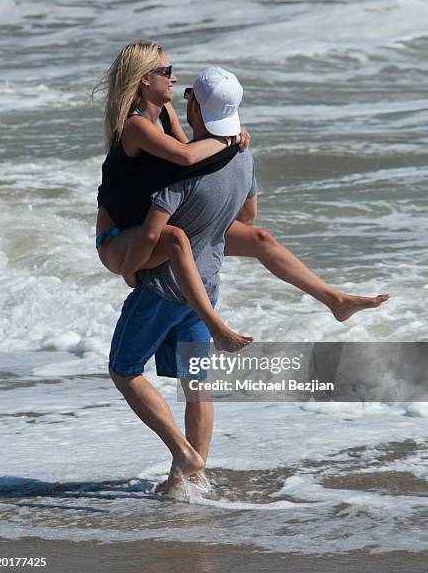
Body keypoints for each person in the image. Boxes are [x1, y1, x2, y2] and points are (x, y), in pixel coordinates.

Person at [106, 67, 388, 494]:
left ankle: (184, 455)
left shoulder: (178, 173)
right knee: (196, 384)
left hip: (163, 289)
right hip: (208, 282)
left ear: (195, 106)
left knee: (124, 369)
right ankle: (192, 480)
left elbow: (151, 232)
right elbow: (249, 220)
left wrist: (132, 268)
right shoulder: (243, 155)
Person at [95, 42, 389, 355]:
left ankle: (335, 300)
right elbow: (184, 157)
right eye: (167, 71)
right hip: (119, 237)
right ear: (144, 79)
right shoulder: (135, 125)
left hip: (149, 222)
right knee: (176, 238)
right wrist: (227, 137)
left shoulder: (165, 112)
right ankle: (215, 325)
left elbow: (193, 158)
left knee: (260, 238)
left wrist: (232, 137)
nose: (175, 78)